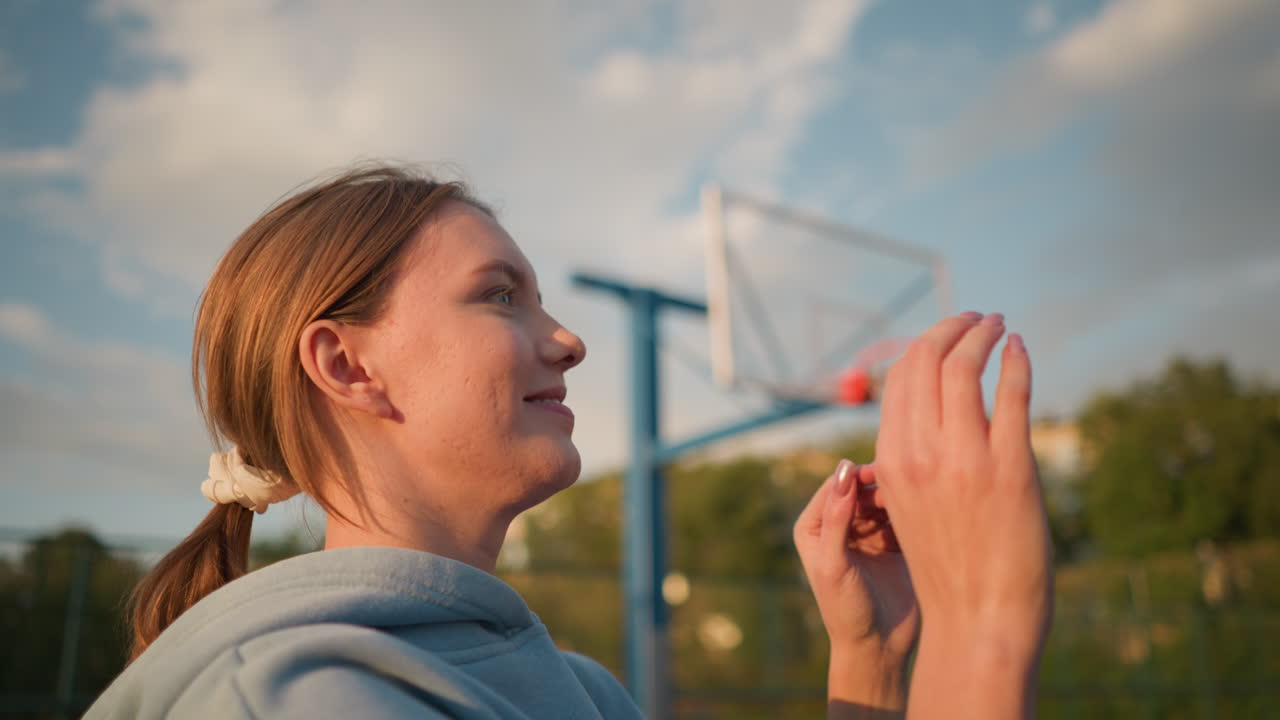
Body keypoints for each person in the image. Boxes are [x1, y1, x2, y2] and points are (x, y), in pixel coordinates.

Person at [83, 165, 1053, 719]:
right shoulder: (304, 701)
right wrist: (983, 631)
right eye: (499, 295)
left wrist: (870, 663)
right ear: (346, 366)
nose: (567, 338)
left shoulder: (581, 690)